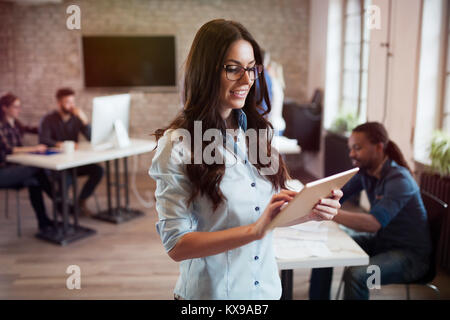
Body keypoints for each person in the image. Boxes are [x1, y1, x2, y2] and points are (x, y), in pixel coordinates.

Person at [149, 19, 343, 300]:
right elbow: (177, 245)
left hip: (265, 292)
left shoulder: (255, 134)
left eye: (251, 68)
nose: (247, 79)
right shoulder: (178, 145)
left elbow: (264, 216)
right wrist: (254, 231)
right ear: (205, 71)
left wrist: (309, 212)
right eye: (233, 69)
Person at [309, 122, 432, 300]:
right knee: (324, 248)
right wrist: (312, 199)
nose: (351, 154)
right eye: (351, 148)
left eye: (357, 148)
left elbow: (373, 224)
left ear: (378, 147)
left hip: (411, 257)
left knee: (357, 275)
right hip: (383, 243)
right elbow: (337, 194)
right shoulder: (367, 173)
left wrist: (331, 212)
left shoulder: (400, 179)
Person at [39, 88, 103, 217]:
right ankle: (63, 209)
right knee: (66, 179)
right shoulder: (48, 119)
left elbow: (92, 138)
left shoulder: (75, 118)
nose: (71, 105)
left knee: (98, 170)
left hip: (74, 162)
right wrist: (62, 145)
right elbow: (43, 139)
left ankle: (80, 202)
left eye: (73, 102)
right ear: (59, 103)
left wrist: (85, 121)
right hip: (57, 164)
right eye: (67, 102)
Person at [0, 92, 54, 233]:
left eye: (19, 106)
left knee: (35, 181)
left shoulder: (16, 124)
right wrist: (34, 148)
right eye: (15, 106)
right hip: (3, 173)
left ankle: (44, 222)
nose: (19, 109)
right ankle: (59, 200)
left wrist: (49, 126)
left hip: (15, 171)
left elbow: (34, 129)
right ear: (5, 108)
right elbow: (8, 150)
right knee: (37, 168)